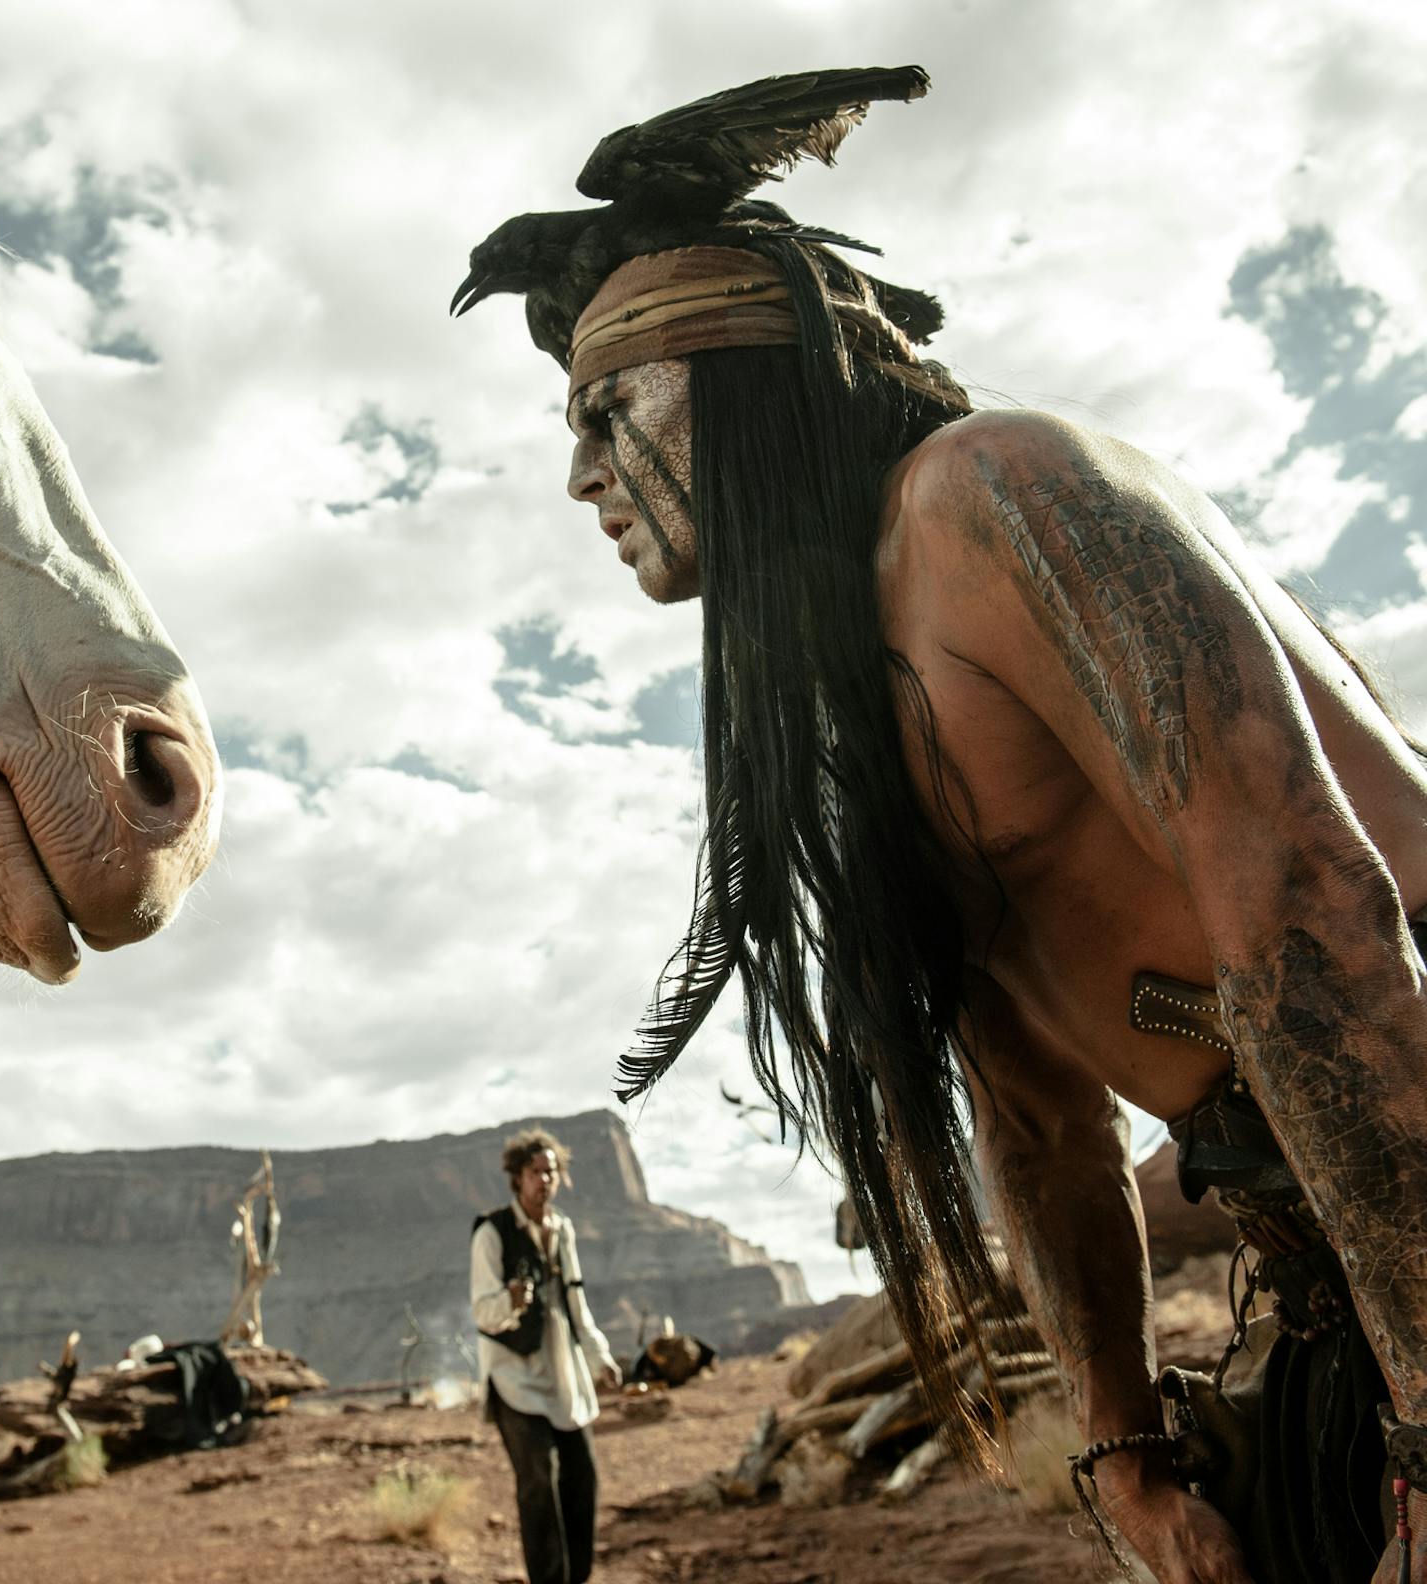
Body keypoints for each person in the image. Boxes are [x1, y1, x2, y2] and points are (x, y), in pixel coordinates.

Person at [453, 67, 1427, 1584]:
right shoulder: (854, 723)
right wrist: (1126, 1458)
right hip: (1333, 1290)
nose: (580, 475)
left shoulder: (990, 497)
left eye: (606, 410)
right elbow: (1040, 1127)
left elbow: (1317, 905)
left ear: (741, 372)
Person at [471, 1128, 623, 1584]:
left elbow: (576, 1302)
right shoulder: (493, 1232)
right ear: (517, 1177)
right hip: (515, 1378)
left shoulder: (562, 1230)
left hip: (563, 1375)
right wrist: (511, 1301)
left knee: (582, 1478)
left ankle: (578, 1577)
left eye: (550, 1172)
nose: (544, 1180)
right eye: (535, 1172)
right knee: (538, 1481)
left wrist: (599, 1358)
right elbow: (482, 1311)